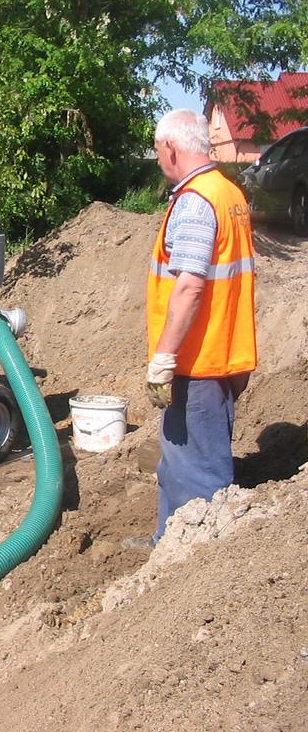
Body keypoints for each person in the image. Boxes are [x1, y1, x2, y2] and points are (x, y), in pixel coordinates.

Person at [144, 109, 257, 544]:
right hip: (222, 353)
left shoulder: (196, 201)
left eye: (158, 151)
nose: (157, 160)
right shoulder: (227, 191)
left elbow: (189, 287)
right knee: (176, 459)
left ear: (171, 148)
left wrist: (165, 358)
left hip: (199, 361)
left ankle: (195, 564)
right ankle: (165, 543)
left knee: (198, 471)